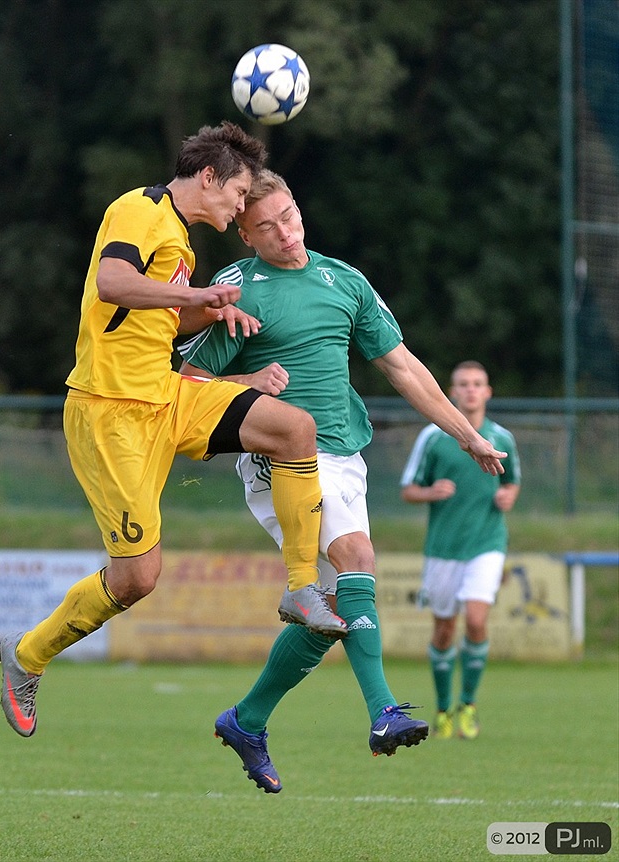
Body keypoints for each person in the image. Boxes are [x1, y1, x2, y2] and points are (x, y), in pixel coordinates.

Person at [0, 123, 349, 740]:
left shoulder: (180, 239)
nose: (242, 207)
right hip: (109, 411)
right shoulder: (139, 208)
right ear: (209, 177)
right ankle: (26, 656)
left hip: (165, 395)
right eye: (238, 194)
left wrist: (208, 308)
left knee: (294, 429)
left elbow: (150, 311)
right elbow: (114, 283)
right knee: (137, 578)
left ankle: (300, 590)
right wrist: (202, 293)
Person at [177, 170, 508, 792]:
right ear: (244, 236)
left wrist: (465, 435)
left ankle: (247, 720)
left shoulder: (345, 281)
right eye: (266, 226)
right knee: (358, 556)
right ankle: (383, 711)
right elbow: (183, 386)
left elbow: (403, 367)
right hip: (278, 457)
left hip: (343, 458)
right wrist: (247, 385)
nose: (285, 232)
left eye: (290, 215)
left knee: (326, 616)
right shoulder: (235, 289)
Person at [400, 360, 521, 740]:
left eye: (478, 384)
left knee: (476, 620)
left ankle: (468, 705)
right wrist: (430, 493)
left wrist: (507, 497)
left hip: (487, 543)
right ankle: (442, 710)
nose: (471, 390)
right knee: (444, 629)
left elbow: (513, 482)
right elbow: (408, 489)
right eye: (463, 384)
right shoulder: (433, 438)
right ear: (451, 392)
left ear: (488, 392)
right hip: (443, 549)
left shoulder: (502, 438)